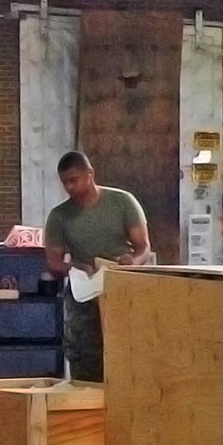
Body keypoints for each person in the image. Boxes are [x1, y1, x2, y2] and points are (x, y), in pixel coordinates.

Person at [43, 151, 151, 382]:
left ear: (90, 174)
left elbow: (143, 247)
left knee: (128, 347)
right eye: (65, 182)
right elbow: (53, 262)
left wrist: (133, 260)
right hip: (85, 289)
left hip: (121, 283)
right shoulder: (59, 216)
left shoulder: (122, 202)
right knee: (84, 352)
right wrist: (75, 266)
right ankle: (86, 394)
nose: (69, 187)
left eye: (74, 180)